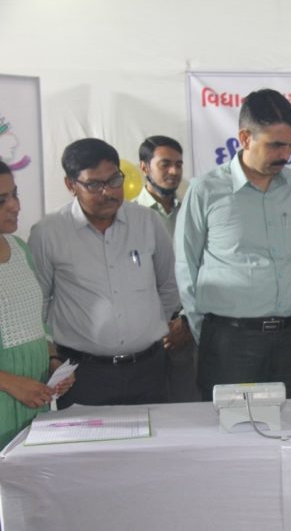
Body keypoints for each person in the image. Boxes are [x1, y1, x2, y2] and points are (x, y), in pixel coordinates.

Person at [175, 89, 291, 400]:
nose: (286, 155)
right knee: (230, 427)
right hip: (230, 342)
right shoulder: (206, 189)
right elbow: (185, 265)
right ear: (245, 138)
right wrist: (208, 333)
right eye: (276, 145)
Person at [28, 139, 179, 407]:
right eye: (94, 185)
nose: (108, 192)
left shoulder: (147, 222)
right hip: (83, 374)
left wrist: (145, 328)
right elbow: (37, 305)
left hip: (148, 370)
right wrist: (51, 357)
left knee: (155, 434)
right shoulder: (48, 232)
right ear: (70, 185)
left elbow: (169, 286)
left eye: (114, 180)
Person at [0, 162, 74, 446]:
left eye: (15, 194)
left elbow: (35, 322)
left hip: (32, 397)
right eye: (2, 200)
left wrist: (53, 362)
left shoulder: (20, 249)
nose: (15, 206)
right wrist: (11, 383)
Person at [134, 135, 198, 402]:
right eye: (165, 164)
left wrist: (186, 321)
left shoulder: (193, 211)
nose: (174, 171)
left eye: (179, 164)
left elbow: (205, 269)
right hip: (143, 335)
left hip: (189, 327)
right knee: (150, 410)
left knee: (191, 409)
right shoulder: (129, 217)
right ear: (144, 167)